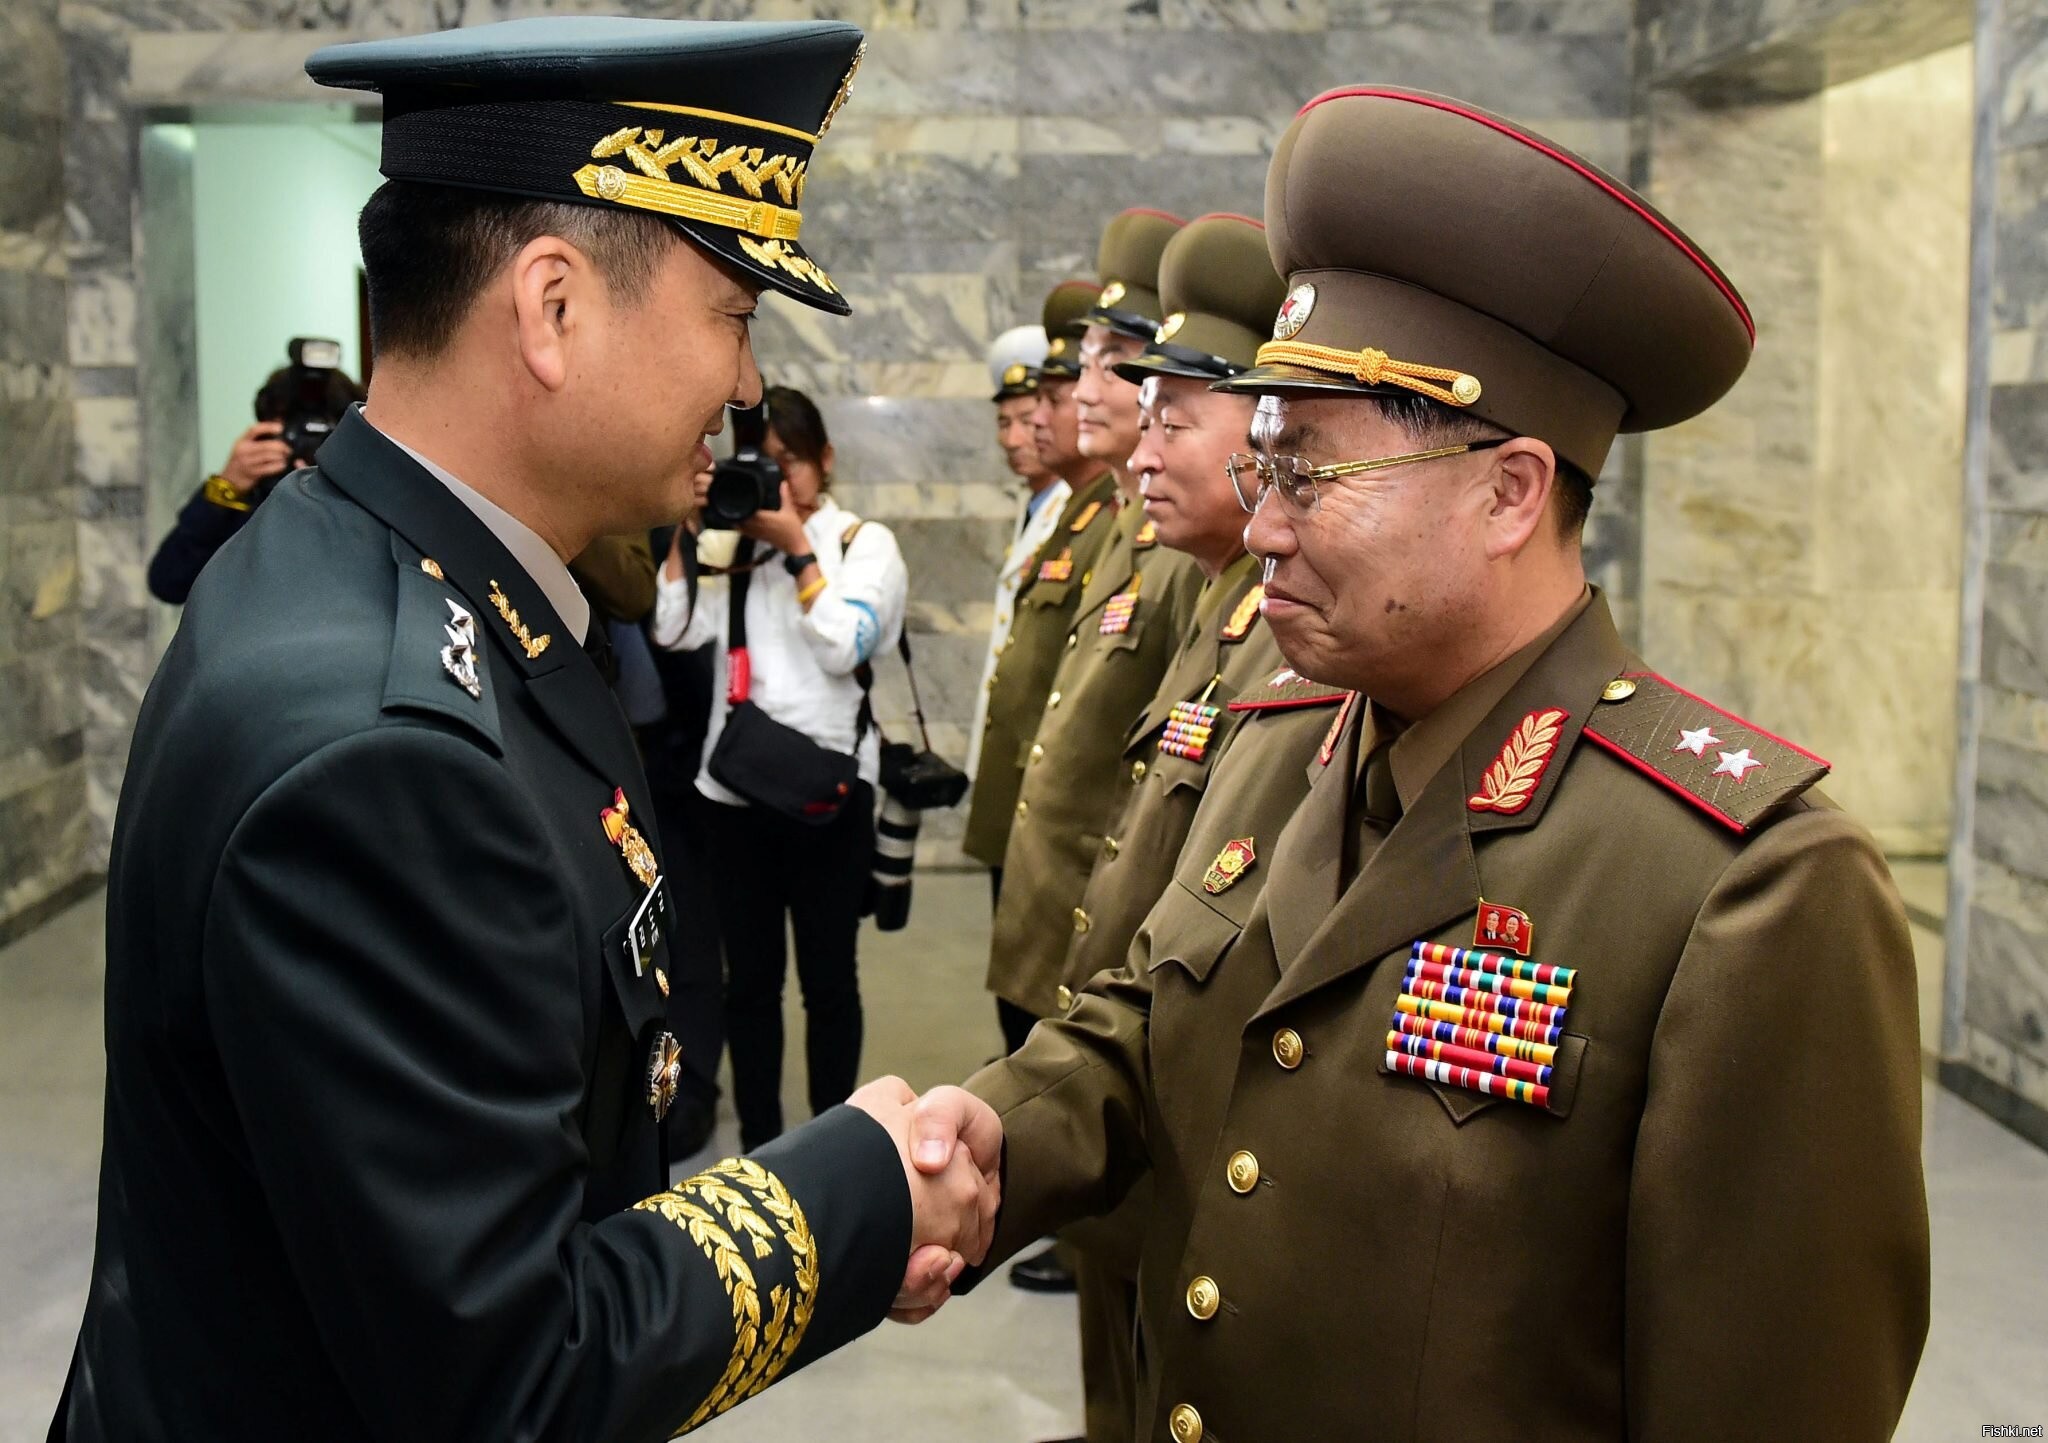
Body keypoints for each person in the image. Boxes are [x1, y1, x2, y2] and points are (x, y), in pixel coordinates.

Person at [924, 86, 1931, 1440]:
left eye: (1309, 475)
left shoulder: (1741, 891)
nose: (1262, 528)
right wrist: (973, 1142)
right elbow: (1146, 1030)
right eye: (1261, 464)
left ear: (1511, 491)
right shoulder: (1278, 740)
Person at [52, 21, 1002, 1442]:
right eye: (733, 316)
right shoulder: (389, 748)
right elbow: (514, 1375)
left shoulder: (374, 561)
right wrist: (860, 1188)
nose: (745, 390)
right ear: (551, 308)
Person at [651, 386, 909, 1153]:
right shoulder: (732, 541)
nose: (773, 481)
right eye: (761, 465)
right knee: (749, 985)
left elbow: (841, 644)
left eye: (788, 463)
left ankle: (833, 1142)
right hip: (734, 793)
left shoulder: (866, 544)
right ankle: (762, 1143)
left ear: (824, 461)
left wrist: (796, 549)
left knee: (829, 982)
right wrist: (688, 531)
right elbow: (670, 626)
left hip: (828, 793)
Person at [961, 277, 1122, 918]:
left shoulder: (1103, 515)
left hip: (1067, 811)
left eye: (1037, 412)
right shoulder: (1062, 515)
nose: (1022, 433)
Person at [146, 363, 363, 604]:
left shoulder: (367, 495)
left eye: (319, 434)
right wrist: (227, 487)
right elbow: (169, 582)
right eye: (296, 432)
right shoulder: (253, 498)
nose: (306, 444)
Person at [966, 324, 1067, 781]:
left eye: (1027, 421)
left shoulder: (1075, 509)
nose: (1012, 440)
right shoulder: (1034, 506)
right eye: (1004, 423)